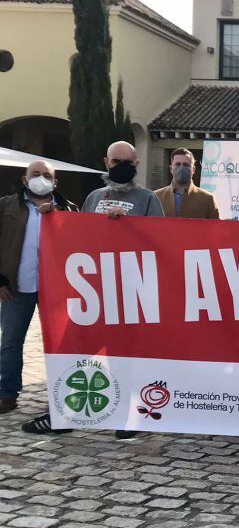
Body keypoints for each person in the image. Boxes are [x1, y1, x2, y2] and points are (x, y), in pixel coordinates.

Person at [23, 140, 163, 437]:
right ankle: (62, 414)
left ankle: (127, 418)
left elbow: (159, 241)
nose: (121, 166)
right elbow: (77, 236)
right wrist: (53, 218)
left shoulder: (148, 198)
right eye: (116, 161)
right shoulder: (94, 197)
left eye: (128, 161)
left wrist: (128, 226)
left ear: (136, 164)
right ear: (106, 162)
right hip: (92, 294)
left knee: (122, 358)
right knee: (71, 354)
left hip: (127, 294)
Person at [0, 161, 78, 414]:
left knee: (59, 344)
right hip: (17, 287)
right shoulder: (6, 206)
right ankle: (8, 393)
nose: (41, 178)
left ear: (55, 183)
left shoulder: (68, 210)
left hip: (56, 290)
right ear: (25, 180)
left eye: (47, 175)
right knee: (11, 342)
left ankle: (60, 394)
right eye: (35, 174)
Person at [154, 148, 220, 219]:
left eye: (186, 165)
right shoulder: (156, 197)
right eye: (178, 164)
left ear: (193, 170)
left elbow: (215, 227)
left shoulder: (207, 199)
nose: (181, 168)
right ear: (171, 169)